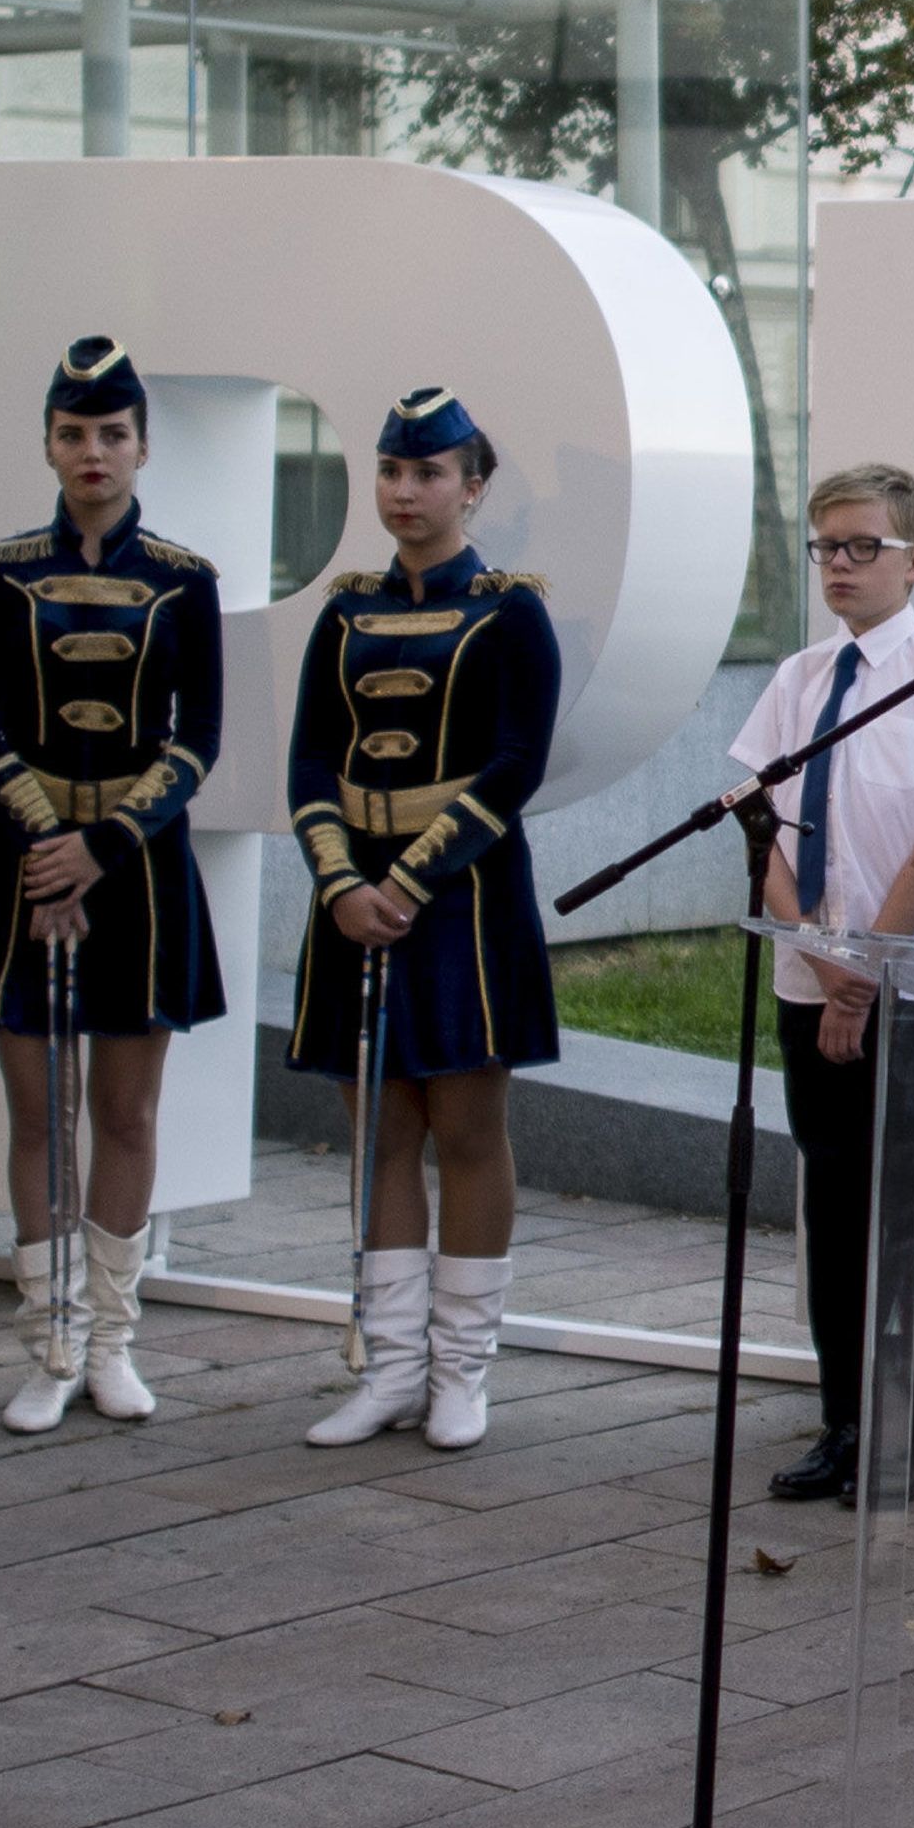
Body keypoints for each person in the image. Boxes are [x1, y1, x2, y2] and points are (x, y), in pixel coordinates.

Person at [0, 338, 226, 1435]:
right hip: (24, 866)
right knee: (37, 1117)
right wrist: (47, 843)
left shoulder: (184, 579)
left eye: (113, 434)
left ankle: (112, 1341)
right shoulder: (1, 573)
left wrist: (100, 845)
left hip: (139, 868)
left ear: (143, 445)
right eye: (74, 434)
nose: (94, 453)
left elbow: (196, 739)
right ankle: (48, 1342)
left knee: (124, 1110)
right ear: (50, 445)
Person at [290, 385, 560, 1453]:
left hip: (462, 898)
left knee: (466, 1130)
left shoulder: (510, 608)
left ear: (473, 486)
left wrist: (407, 881)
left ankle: (462, 1372)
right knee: (380, 1135)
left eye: (430, 474)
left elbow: (515, 762)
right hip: (351, 895)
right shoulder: (346, 608)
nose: (406, 492)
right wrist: (340, 883)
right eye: (393, 473)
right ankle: (390, 1370)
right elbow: (313, 756)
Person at [733, 463, 914, 1504]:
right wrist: (819, 957)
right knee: (833, 1207)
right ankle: (842, 1419)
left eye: (860, 547)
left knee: (906, 1211)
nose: (837, 564)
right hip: (812, 977)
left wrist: (866, 973)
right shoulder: (799, 678)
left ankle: (901, 1433)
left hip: (907, 985)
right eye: (824, 546)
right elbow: (758, 821)